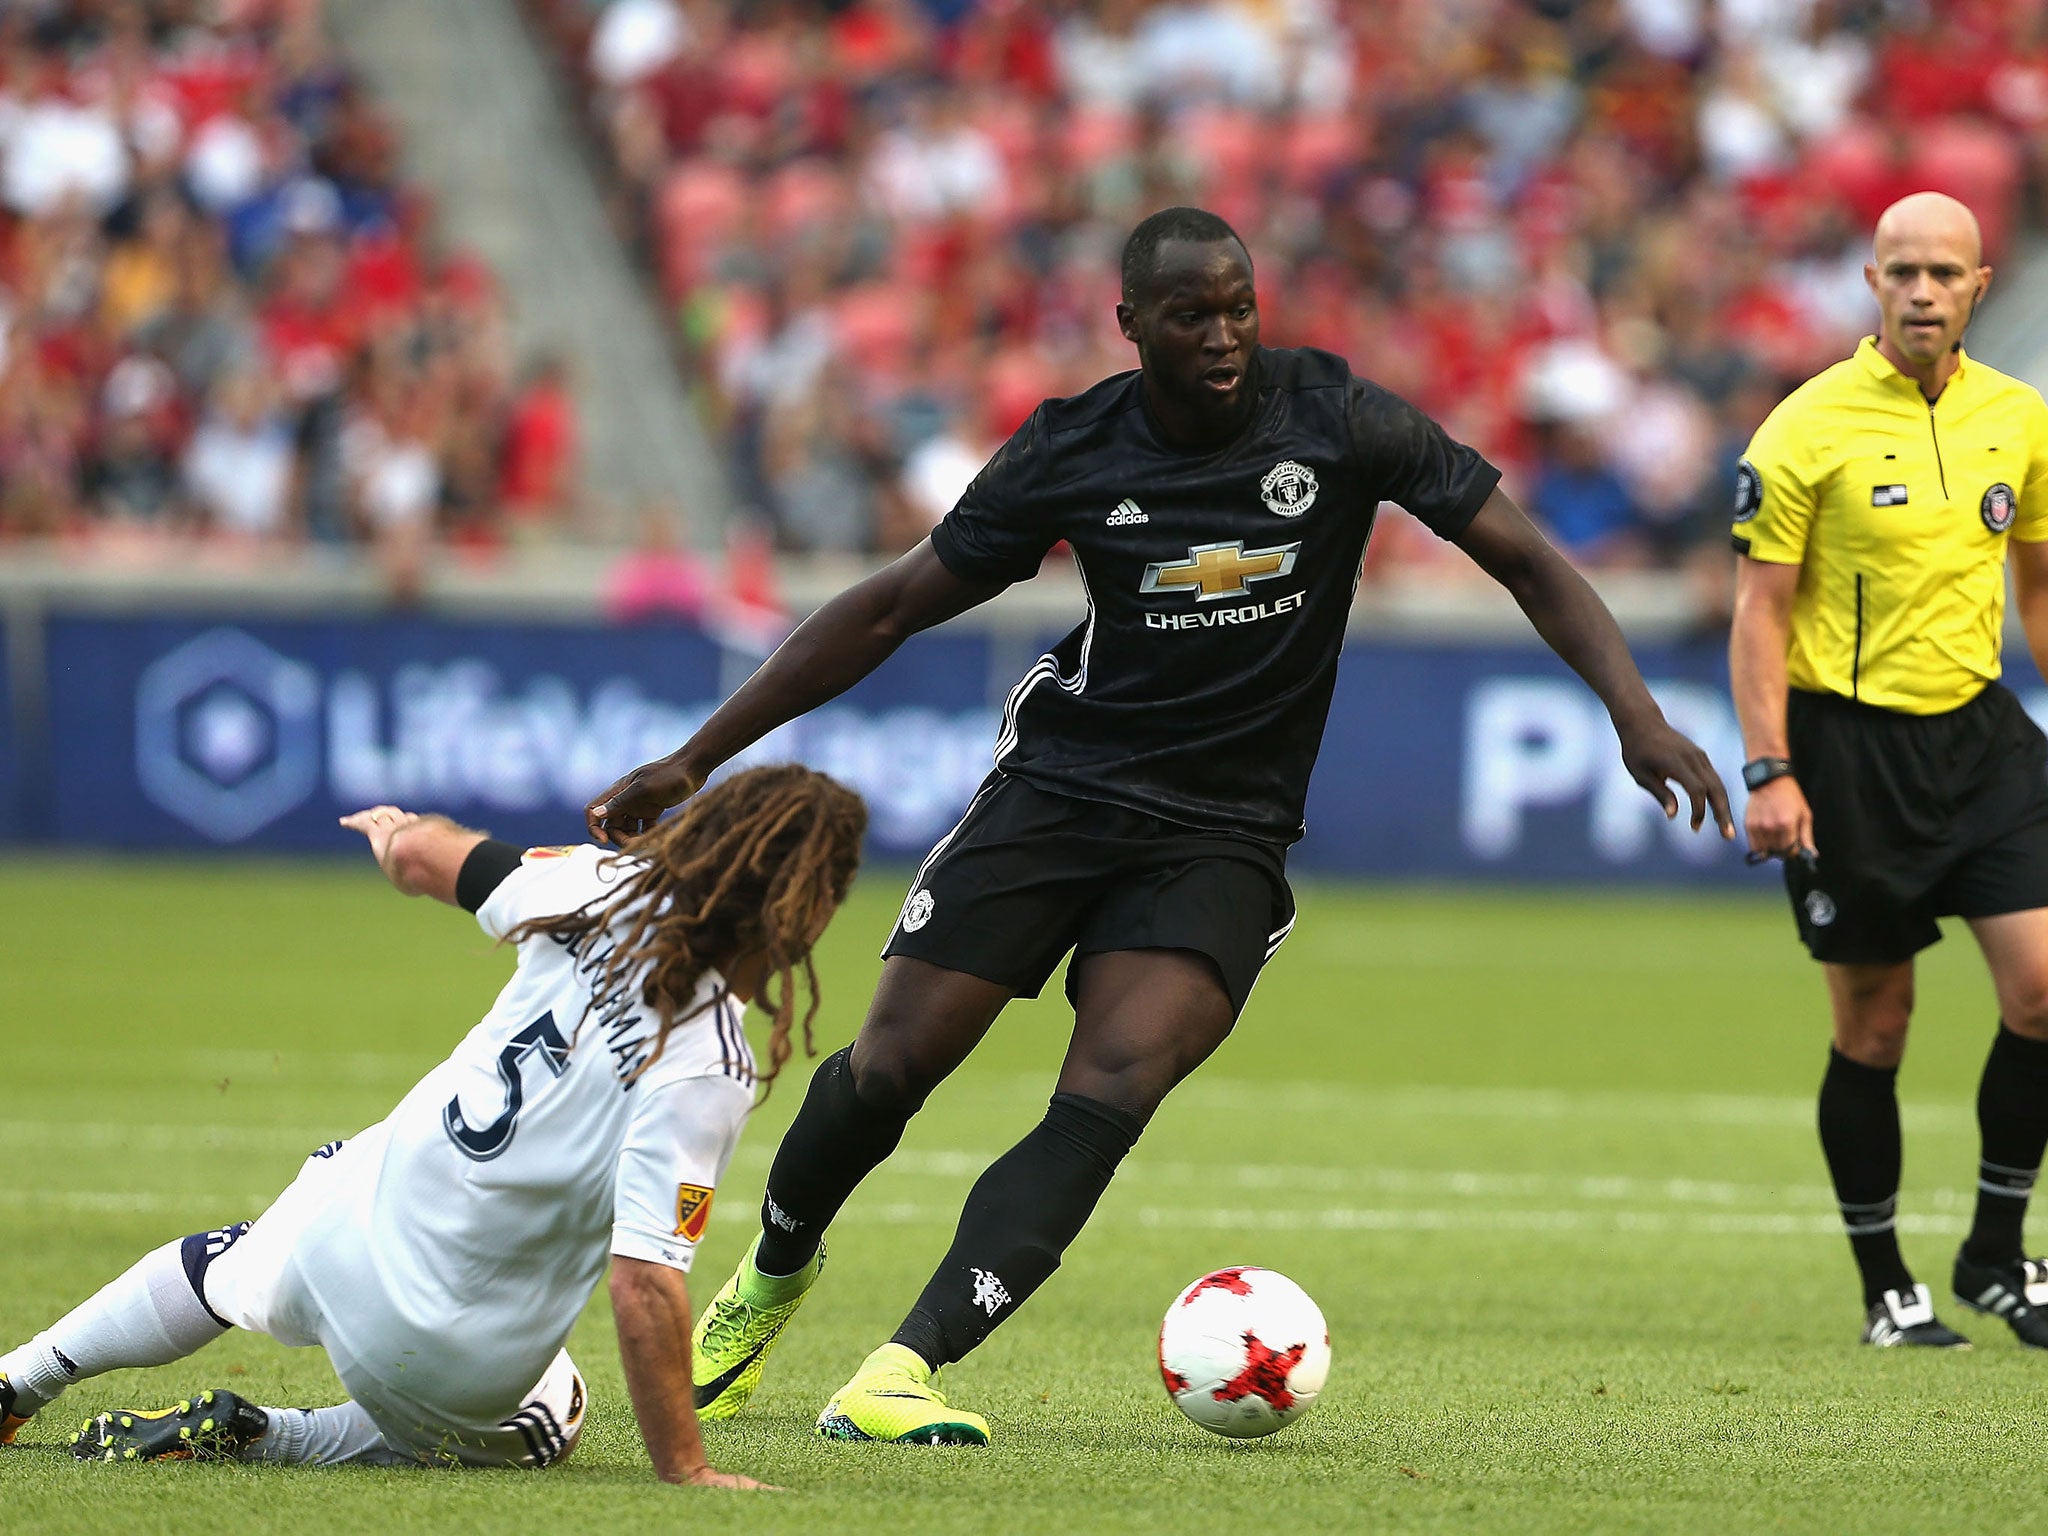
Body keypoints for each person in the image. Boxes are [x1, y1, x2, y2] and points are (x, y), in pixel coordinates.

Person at [587, 206, 1734, 1445]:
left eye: (1239, 306)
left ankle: (902, 1367)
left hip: (1224, 834)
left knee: (1113, 1087)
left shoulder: (1342, 421)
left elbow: (1525, 558)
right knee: (890, 1069)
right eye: (1192, 314)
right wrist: (698, 756)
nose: (1225, 334)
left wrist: (1635, 712)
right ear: (1131, 326)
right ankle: (774, 1274)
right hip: (1060, 793)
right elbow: (890, 606)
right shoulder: (1071, 449)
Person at [0, 765, 865, 1485]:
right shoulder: (709, 1061)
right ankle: (271, 1433)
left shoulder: (592, 884)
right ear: (806, 906)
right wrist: (685, 1469)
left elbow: (420, 855)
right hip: (437, 1347)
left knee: (249, 1245)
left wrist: (395, 832)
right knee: (554, 1417)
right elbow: (643, 1282)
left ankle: (21, 1377)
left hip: (339, 1236)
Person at [1730, 190, 2048, 1350]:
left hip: (1979, 733)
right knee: (1874, 1026)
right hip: (1846, 752)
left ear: (1977, 286)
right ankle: (1885, 1289)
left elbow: (2039, 582)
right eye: (1899, 271)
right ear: (1871, 284)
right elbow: (1758, 617)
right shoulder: (1801, 429)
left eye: (1943, 273)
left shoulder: (2018, 418)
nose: (1920, 291)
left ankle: (1994, 1256)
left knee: (2041, 991)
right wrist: (1769, 767)